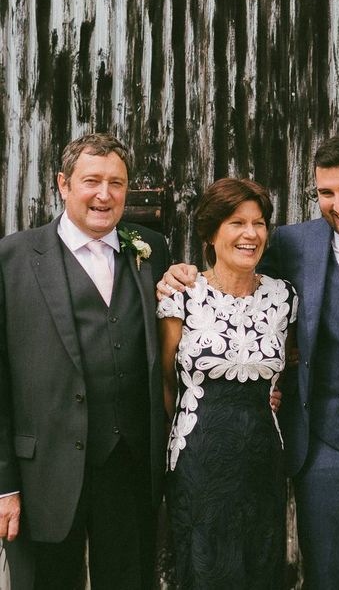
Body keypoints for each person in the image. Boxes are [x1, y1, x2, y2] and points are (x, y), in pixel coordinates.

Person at [158, 134, 339, 589]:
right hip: (323, 454)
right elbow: (232, 267)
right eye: (326, 193)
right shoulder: (292, 245)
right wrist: (181, 273)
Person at [0, 133, 170, 589]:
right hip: (44, 473)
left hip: (129, 465)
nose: (104, 194)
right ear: (63, 184)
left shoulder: (151, 250)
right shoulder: (12, 258)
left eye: (116, 183)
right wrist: (4, 485)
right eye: (91, 181)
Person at [157, 178, 297, 588]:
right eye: (237, 222)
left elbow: (287, 367)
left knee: (261, 567)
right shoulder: (181, 294)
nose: (250, 234)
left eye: (259, 223)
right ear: (211, 232)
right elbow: (166, 382)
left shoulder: (285, 298)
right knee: (205, 570)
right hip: (197, 460)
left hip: (263, 463)